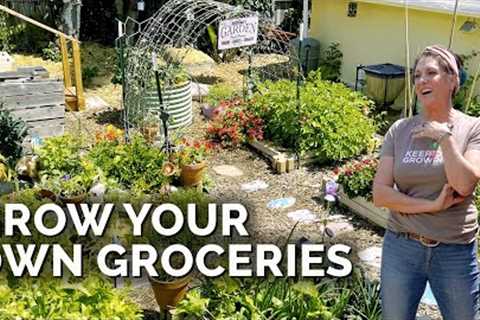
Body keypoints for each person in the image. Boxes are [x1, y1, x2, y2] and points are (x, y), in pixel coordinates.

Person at [373, 45, 480, 320]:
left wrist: (444, 138)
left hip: (453, 250)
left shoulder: (473, 128)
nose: (421, 81)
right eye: (417, 75)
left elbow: (465, 184)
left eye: (430, 73)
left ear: (453, 80)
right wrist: (431, 205)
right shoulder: (400, 130)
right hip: (402, 246)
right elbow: (381, 194)